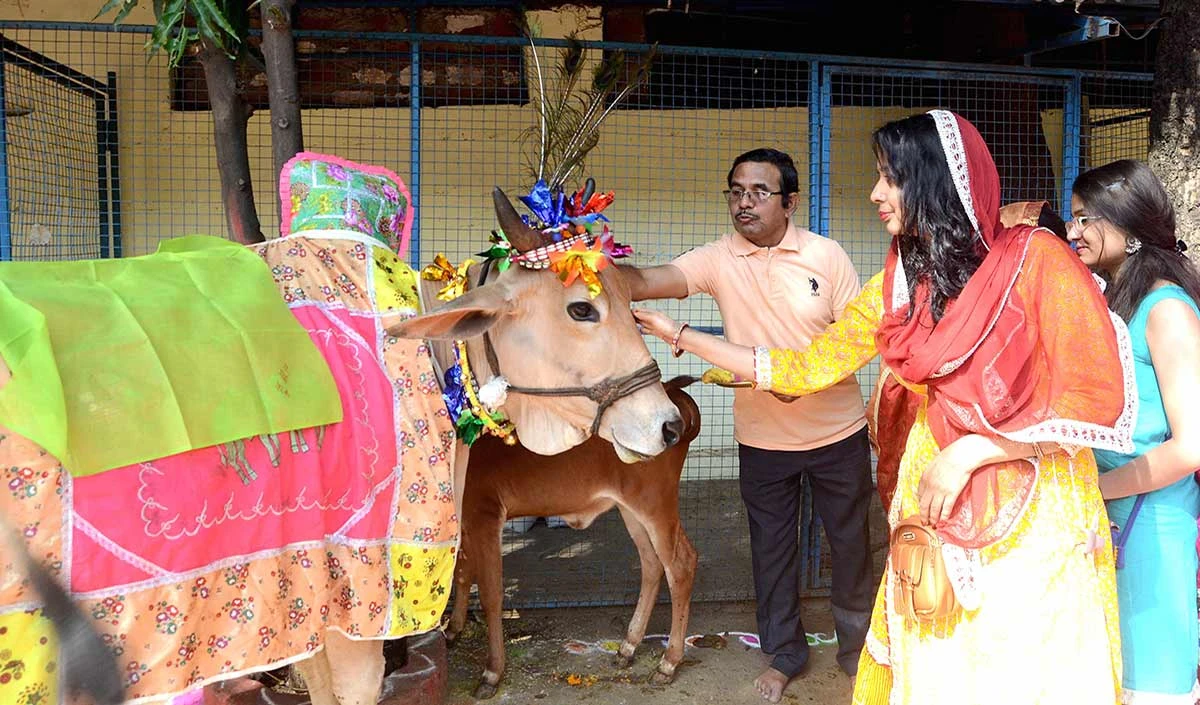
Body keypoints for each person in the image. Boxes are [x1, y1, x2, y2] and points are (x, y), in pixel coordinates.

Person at [635, 111, 1134, 704]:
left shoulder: (1036, 259)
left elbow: (1094, 395)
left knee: (1021, 653)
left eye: (888, 178)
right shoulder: (902, 284)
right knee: (940, 644)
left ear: (934, 181)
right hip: (935, 496)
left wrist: (976, 450)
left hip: (1031, 504)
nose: (874, 193)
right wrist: (680, 334)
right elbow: (807, 366)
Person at [624, 148, 874, 701]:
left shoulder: (826, 256)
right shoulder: (718, 258)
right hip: (762, 439)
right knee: (772, 550)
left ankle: (860, 653)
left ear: (790, 201)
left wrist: (807, 377)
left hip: (839, 434)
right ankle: (784, 655)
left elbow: (857, 344)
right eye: (736, 190)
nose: (745, 202)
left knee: (851, 546)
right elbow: (651, 279)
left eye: (760, 192)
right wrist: (591, 264)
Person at [1067, 159, 1200, 703]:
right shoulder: (1112, 298)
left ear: (1131, 225)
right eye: (1072, 217)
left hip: (1151, 525)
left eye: (1086, 219)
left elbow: (1191, 446)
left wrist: (1098, 489)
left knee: (1152, 683)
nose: (1073, 231)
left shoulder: (1166, 310)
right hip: (1114, 513)